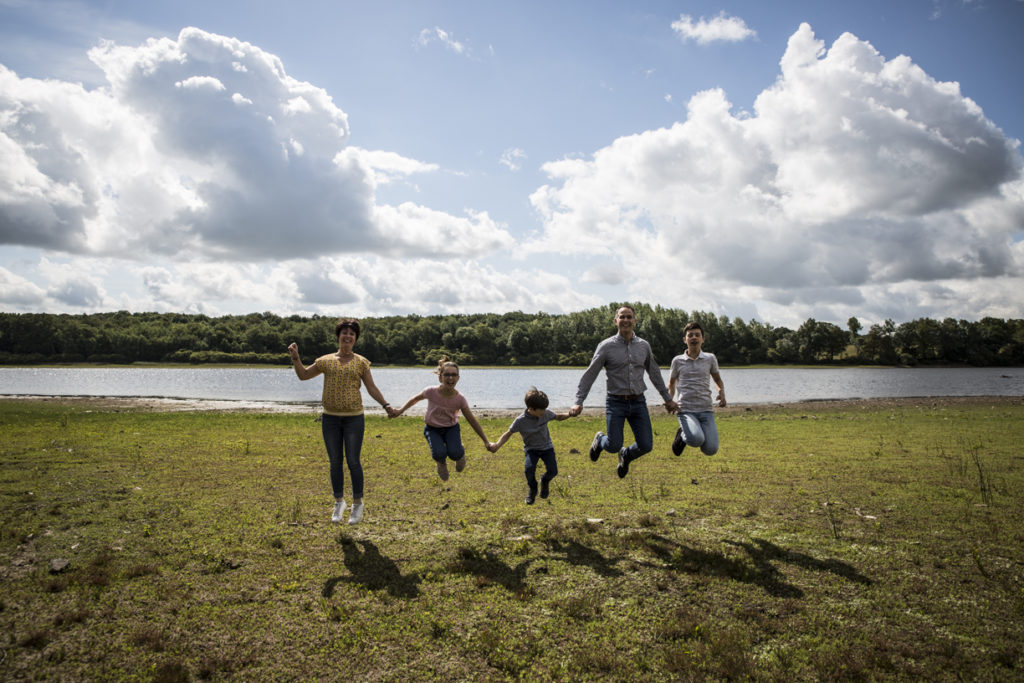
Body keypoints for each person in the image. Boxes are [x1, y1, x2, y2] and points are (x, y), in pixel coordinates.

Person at [287, 318, 395, 525]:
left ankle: (357, 504)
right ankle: (339, 502)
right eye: (344, 333)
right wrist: (295, 358)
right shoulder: (325, 361)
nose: (347, 336)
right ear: (338, 336)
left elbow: (371, 388)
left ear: (355, 339)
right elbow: (303, 375)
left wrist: (386, 405)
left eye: (352, 334)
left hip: (354, 419)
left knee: (353, 461)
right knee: (335, 462)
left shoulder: (362, 362)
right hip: (330, 419)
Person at [569, 305, 678, 479]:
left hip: (638, 402)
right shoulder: (605, 346)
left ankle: (626, 455)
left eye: (629, 317)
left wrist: (667, 398)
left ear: (635, 321)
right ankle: (599, 440)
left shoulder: (644, 346)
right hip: (615, 402)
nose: (625, 320)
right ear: (616, 321)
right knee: (613, 445)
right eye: (622, 317)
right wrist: (578, 401)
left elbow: (654, 373)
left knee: (646, 445)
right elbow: (590, 374)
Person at [390, 357, 491, 482]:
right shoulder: (431, 391)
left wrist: (486, 441)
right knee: (439, 453)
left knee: (455, 453)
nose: (450, 378)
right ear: (440, 377)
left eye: (454, 375)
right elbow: (414, 399)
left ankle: (460, 453)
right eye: (447, 375)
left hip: (451, 429)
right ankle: (441, 463)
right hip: (432, 429)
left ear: (458, 378)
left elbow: (472, 420)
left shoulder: (460, 399)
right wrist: (399, 411)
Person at [488, 387, 571, 504]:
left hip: (547, 448)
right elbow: (508, 434)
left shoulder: (545, 414)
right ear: (531, 409)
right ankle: (533, 489)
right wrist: (497, 445)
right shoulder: (520, 421)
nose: (544, 412)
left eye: (545, 409)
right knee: (529, 470)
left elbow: (559, 417)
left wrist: (570, 414)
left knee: (553, 471)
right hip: (531, 450)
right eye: (541, 410)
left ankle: (545, 481)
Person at [668, 321, 726, 456]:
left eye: (697, 335)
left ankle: (688, 432)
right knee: (695, 439)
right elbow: (671, 383)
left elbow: (717, 379)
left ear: (702, 339)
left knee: (710, 449)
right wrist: (669, 400)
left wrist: (721, 392)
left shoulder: (710, 358)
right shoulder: (677, 360)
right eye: (690, 335)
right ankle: (683, 434)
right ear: (685, 339)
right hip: (685, 409)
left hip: (706, 409)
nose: (694, 337)